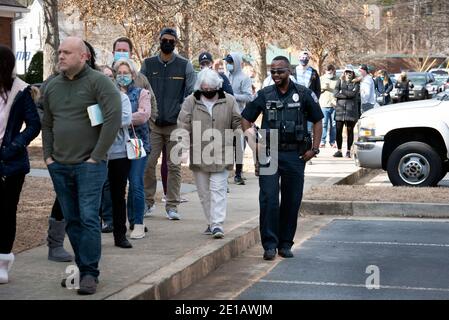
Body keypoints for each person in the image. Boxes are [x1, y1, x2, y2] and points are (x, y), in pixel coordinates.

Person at [42, 36, 122, 295]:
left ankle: (90, 273)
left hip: (89, 165)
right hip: (60, 165)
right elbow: (48, 123)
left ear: (83, 56)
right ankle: (81, 268)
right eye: (60, 52)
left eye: (67, 52)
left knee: (88, 218)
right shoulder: (52, 86)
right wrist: (48, 158)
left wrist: (96, 157)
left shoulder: (100, 83)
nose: (61, 56)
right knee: (73, 219)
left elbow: (112, 119)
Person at [241, 56, 323, 260]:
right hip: (269, 152)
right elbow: (246, 118)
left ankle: (285, 244)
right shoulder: (265, 94)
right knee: (269, 198)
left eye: (280, 71)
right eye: (273, 71)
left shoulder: (304, 94)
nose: (276, 75)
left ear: (289, 71)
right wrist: (254, 144)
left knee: (291, 200)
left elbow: (318, 120)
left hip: (295, 155)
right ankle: (269, 245)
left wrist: (314, 149)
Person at [177, 68, 241, 238]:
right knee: (204, 193)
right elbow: (183, 125)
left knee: (218, 189)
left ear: (218, 86)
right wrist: (182, 148)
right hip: (199, 152)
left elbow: (237, 121)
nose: (208, 92)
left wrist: (242, 135)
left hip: (222, 151)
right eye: (204, 89)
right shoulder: (191, 101)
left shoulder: (229, 101)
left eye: (211, 89)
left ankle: (218, 224)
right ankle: (211, 222)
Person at [141, 27, 196, 220]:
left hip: (175, 126)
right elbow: (141, 90)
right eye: (165, 40)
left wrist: (183, 115)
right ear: (159, 40)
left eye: (172, 41)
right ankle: (147, 203)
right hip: (154, 124)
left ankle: (172, 206)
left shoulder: (184, 65)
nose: (168, 43)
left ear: (175, 43)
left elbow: (191, 94)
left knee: (174, 166)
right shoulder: (148, 64)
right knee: (147, 164)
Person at [0, 45, 41, 284]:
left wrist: (14, 146)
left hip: (11, 162)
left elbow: (33, 125)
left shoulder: (21, 90)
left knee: (7, 212)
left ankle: (3, 261)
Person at [114, 58, 151, 239]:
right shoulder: (111, 93)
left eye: (125, 73)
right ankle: (128, 219)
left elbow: (143, 115)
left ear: (133, 75)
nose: (122, 76)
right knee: (121, 185)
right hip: (117, 146)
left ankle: (138, 222)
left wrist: (120, 119)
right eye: (119, 73)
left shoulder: (142, 93)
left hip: (138, 145)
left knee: (136, 182)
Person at [101, 65, 134, 248]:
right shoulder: (95, 99)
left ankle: (120, 235)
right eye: (102, 76)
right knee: (96, 195)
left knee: (118, 194)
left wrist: (105, 121)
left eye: (109, 76)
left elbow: (126, 119)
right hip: (98, 152)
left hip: (119, 153)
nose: (106, 79)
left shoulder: (122, 98)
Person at [224, 52, 253, 185]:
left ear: (236, 62)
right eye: (227, 62)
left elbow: (248, 96)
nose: (228, 65)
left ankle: (238, 174)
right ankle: (225, 174)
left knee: (239, 146)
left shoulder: (244, 78)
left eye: (230, 62)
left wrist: (232, 95)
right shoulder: (226, 76)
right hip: (226, 115)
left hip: (240, 115)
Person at [333, 65, 360, 158]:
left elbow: (353, 94)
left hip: (350, 111)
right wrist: (346, 94)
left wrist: (342, 92)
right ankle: (339, 150)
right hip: (340, 111)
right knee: (338, 131)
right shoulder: (339, 81)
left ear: (353, 73)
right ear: (344, 73)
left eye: (350, 72)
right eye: (346, 72)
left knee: (350, 131)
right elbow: (335, 93)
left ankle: (348, 151)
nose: (348, 73)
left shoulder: (356, 83)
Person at [319, 64, 338, 148]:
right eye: (327, 72)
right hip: (324, 104)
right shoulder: (321, 78)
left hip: (334, 104)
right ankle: (322, 141)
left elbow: (340, 90)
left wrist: (336, 99)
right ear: (325, 71)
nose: (329, 73)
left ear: (333, 71)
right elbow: (317, 90)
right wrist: (323, 87)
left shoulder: (337, 79)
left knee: (333, 124)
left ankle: (332, 141)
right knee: (324, 124)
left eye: (330, 72)